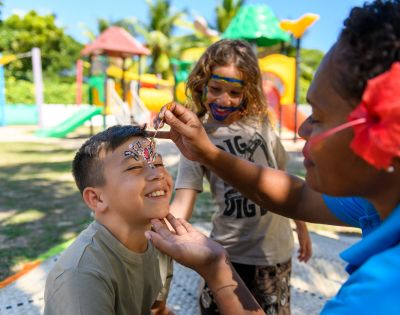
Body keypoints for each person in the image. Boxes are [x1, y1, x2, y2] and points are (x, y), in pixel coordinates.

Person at [146, 1, 400, 314]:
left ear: (387, 130)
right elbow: (300, 196)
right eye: (215, 88)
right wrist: (207, 155)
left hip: (271, 257)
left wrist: (215, 267)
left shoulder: (375, 299)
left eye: (317, 116)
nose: (304, 128)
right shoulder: (379, 202)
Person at [169, 39, 311, 314]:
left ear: (249, 92)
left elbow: (284, 180)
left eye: (235, 92)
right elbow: (183, 200)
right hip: (227, 256)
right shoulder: (196, 137)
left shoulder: (261, 124)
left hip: (273, 255)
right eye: (216, 89)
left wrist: (302, 228)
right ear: (202, 84)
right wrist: (160, 230)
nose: (224, 100)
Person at [44, 125, 174, 315]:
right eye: (135, 167)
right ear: (97, 199)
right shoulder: (82, 276)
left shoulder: (161, 241)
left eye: (159, 163)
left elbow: (158, 310)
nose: (158, 173)